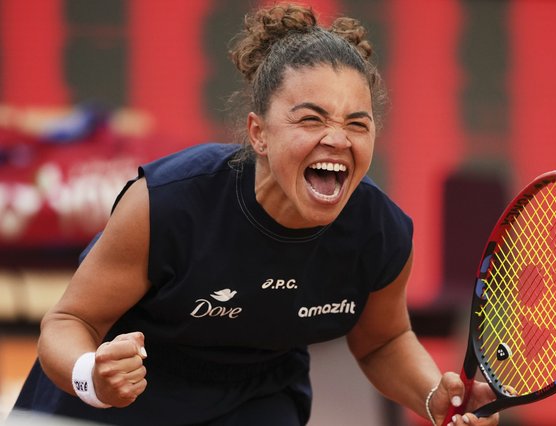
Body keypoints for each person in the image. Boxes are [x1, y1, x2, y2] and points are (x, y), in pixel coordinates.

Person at [11, 4, 499, 426]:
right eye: (311, 119)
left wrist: (437, 397)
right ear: (259, 133)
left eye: (358, 123)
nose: (338, 138)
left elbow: (383, 341)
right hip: (116, 397)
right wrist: (92, 375)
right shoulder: (169, 204)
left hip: (255, 400)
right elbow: (69, 319)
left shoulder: (380, 232)